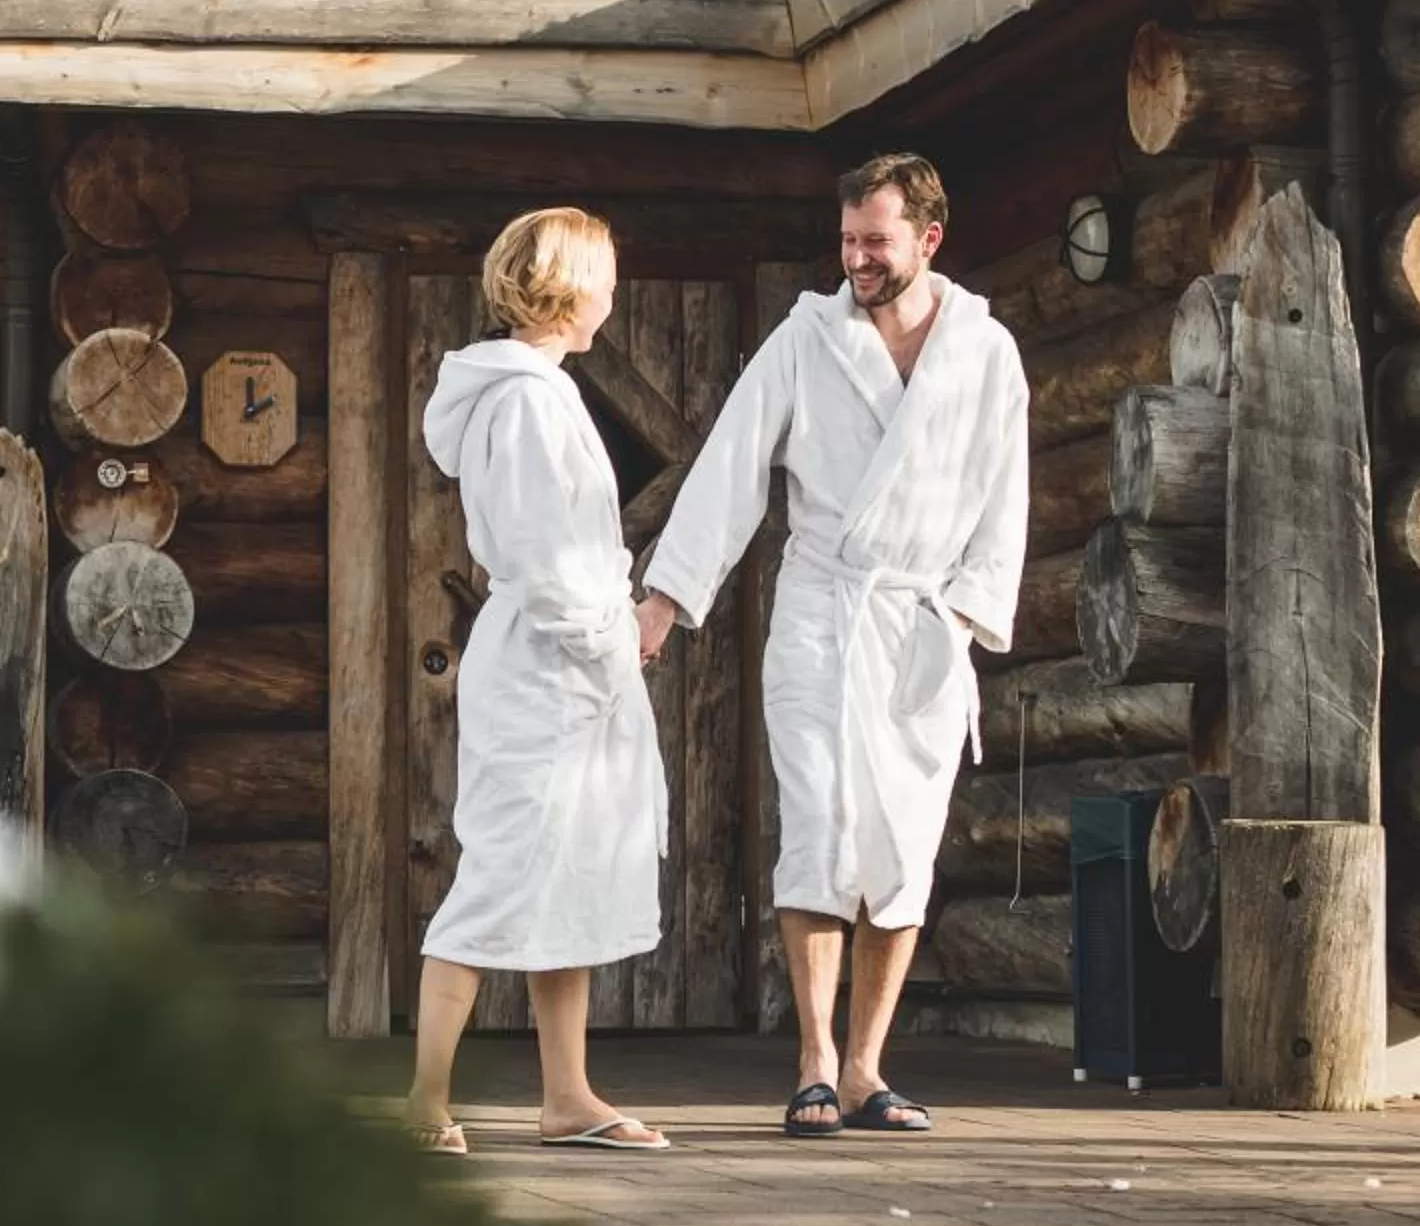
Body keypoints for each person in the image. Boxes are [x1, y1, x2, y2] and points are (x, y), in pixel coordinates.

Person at [635, 154, 1029, 1137]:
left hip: (921, 623)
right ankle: (812, 1058)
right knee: (815, 831)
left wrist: (970, 617)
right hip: (822, 610)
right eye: (848, 239)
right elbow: (730, 467)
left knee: (901, 848)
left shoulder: (985, 351)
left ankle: (865, 1067)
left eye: (876, 242)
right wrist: (665, 597)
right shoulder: (806, 340)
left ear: (929, 239)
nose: (855, 257)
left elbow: (1007, 494)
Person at [402, 207, 671, 1157]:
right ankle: (427, 1101)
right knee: (505, 868)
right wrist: (612, 638)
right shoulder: (520, 401)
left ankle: (568, 1096)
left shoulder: (544, 391)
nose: (611, 291)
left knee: (574, 872)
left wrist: (614, 633)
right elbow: (542, 552)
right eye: (604, 274)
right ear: (566, 286)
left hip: (572, 664)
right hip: (548, 667)